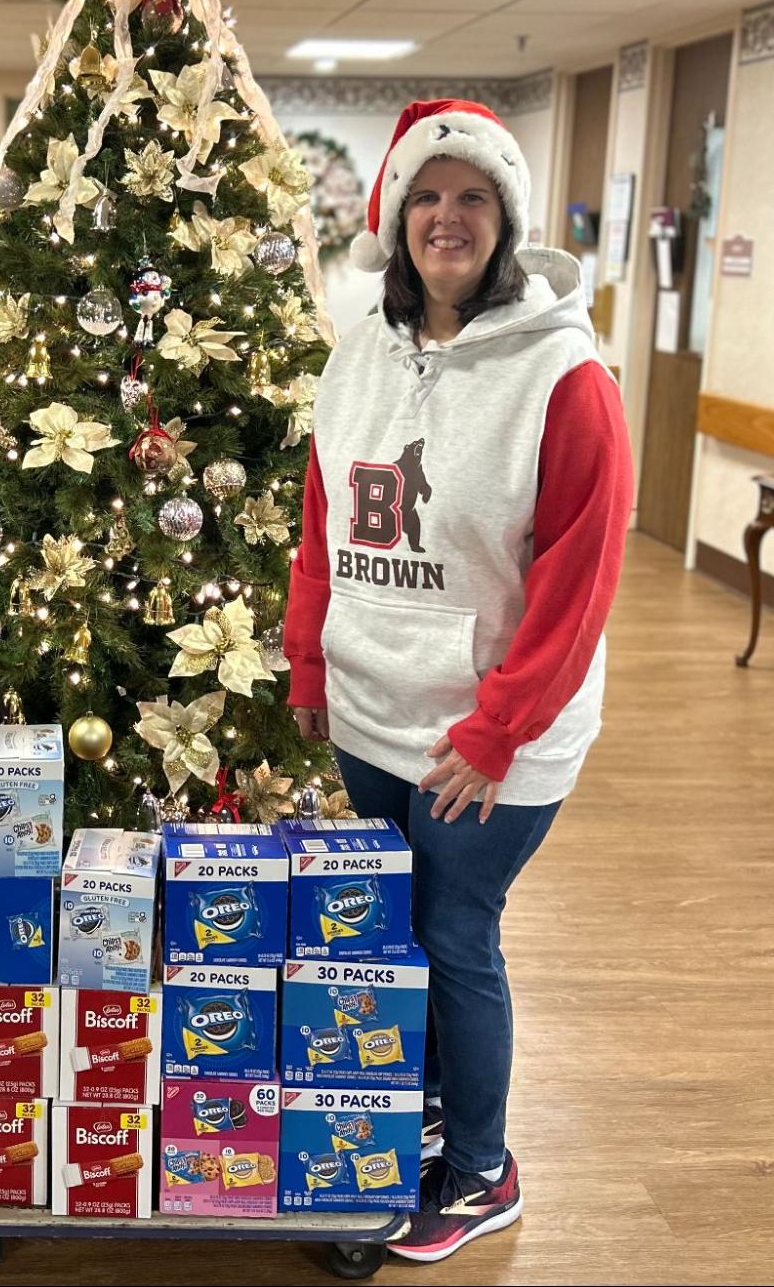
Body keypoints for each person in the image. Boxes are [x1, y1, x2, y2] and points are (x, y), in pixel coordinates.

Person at [283, 100, 632, 1263]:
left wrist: (498, 730)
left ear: (506, 219)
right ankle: (431, 1105)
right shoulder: (360, 349)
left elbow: (579, 578)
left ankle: (482, 1170)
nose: (446, 217)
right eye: (425, 197)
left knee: (453, 933)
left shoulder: (564, 375)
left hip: (491, 737)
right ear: (392, 218)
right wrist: (306, 657)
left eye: (472, 197)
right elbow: (323, 517)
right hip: (373, 709)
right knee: (399, 934)